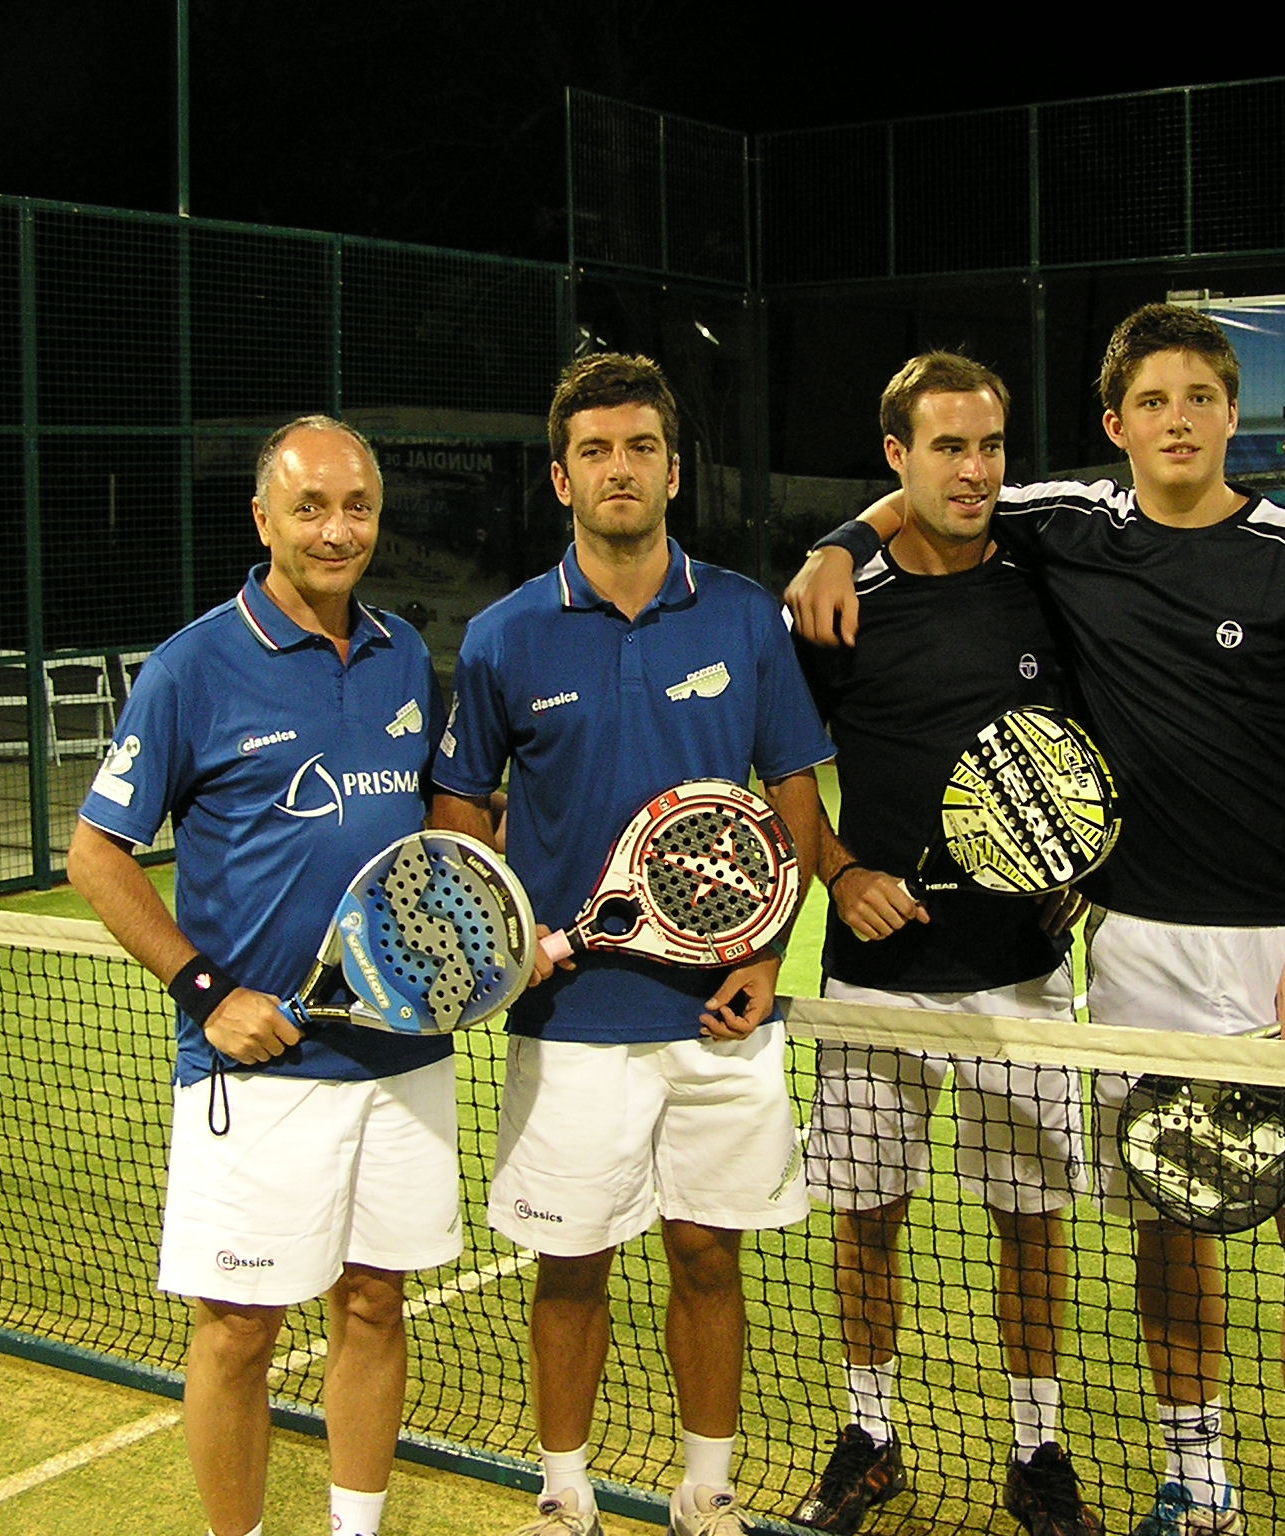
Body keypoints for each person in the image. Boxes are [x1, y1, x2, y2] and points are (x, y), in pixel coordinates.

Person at [787, 304, 1285, 1536]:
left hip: (1282, 957)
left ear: (1231, 413)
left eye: (1199, 398)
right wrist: (835, 544)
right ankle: (1196, 1487)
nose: (1177, 422)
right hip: (1134, 959)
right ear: (1115, 424)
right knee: (1171, 1239)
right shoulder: (1070, 525)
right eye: (1152, 402)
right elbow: (928, 499)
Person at [429, 353, 832, 1536]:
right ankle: (564, 1494)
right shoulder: (503, 638)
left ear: (672, 470)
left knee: (708, 1256)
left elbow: (793, 790)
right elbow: (457, 811)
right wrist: (505, 940)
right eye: (595, 451)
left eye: (640, 448)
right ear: (562, 479)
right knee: (571, 1267)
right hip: (570, 1024)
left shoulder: (744, 617)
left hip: (718, 1017)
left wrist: (766, 951)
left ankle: (704, 1492)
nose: (620, 469)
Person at [68, 416, 454, 1536]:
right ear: (263, 520)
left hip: (400, 1056)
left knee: (374, 1303)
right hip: (260, 1068)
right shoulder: (193, 667)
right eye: (310, 508)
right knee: (239, 1329)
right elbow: (96, 853)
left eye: (356, 508)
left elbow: (441, 836)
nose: (336, 531)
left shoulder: (403, 656)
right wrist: (207, 994)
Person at [789, 353, 1100, 1536]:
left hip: (1019, 971)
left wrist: (1084, 860)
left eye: (989, 447)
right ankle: (868, 1435)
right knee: (865, 1219)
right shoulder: (837, 601)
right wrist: (839, 871)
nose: (973, 471)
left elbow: (1098, 742)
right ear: (896, 457)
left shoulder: (1045, 576)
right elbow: (781, 765)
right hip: (873, 979)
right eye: (946, 447)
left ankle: (1035, 1451)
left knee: (1030, 1222)